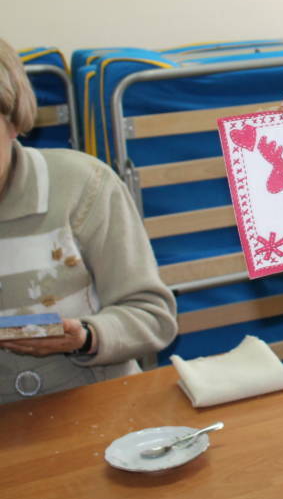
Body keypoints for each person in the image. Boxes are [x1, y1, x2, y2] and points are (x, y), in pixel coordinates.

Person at [0, 38, 177, 403]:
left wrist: (87, 336)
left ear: (13, 121)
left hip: (96, 405)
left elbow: (153, 317)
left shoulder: (82, 185)